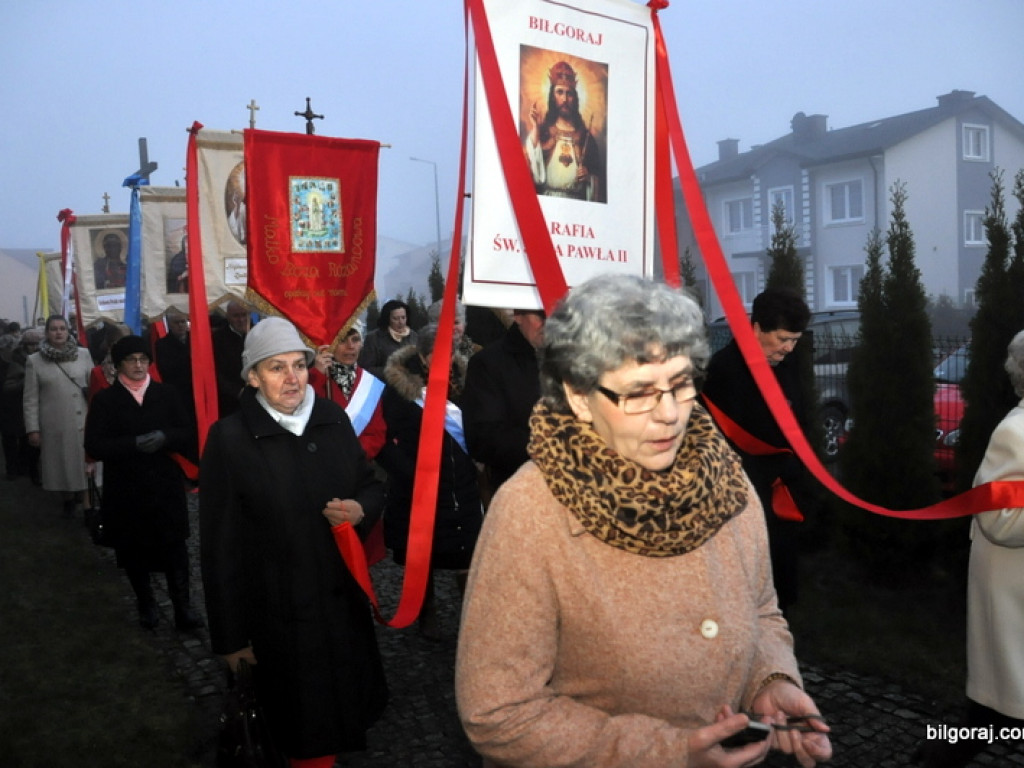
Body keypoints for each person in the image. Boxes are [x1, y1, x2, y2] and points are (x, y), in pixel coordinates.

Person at [455, 275, 831, 767]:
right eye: (638, 393)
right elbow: (498, 711)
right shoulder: (530, 511)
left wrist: (771, 679)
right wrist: (663, 751)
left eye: (681, 384)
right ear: (578, 396)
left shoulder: (728, 478)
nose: (671, 413)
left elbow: (760, 608)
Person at [200, 317, 387, 766]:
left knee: (339, 714)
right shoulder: (229, 439)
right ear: (252, 376)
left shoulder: (331, 417)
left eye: (299, 366)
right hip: (278, 617)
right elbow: (218, 548)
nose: (291, 378)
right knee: (299, 729)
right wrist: (230, 639)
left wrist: (361, 508)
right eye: (276, 368)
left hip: (340, 609)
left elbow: (372, 483)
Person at [917, 330, 1024, 768]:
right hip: (1010, 585)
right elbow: (1000, 519)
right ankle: (937, 755)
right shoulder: (1015, 433)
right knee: (997, 704)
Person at [700, 287, 817, 614]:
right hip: (743, 495)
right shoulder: (724, 369)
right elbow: (718, 443)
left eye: (795, 340)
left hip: (782, 491)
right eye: (782, 338)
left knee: (779, 591)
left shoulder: (785, 364)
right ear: (755, 328)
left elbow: (800, 417)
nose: (789, 349)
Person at [83, 336, 201, 631]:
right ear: (119, 364)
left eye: (143, 360)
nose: (138, 365)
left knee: (175, 548)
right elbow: (94, 444)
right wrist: (132, 444)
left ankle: (183, 609)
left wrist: (166, 437)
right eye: (131, 360)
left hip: (164, 485)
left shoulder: (167, 394)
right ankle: (146, 604)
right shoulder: (106, 401)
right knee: (133, 549)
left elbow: (187, 430)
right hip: (126, 487)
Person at [378, 323, 483, 639]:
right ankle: (426, 613)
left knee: (469, 548)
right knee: (424, 551)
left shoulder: (462, 381)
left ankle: (471, 615)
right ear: (423, 355)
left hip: (462, 480)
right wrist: (411, 473)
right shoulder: (400, 387)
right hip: (419, 485)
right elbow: (382, 440)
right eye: (440, 353)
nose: (448, 358)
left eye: (451, 352)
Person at [309, 320, 387, 564]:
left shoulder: (369, 383)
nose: (350, 346)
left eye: (355, 339)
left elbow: (378, 432)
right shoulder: (316, 378)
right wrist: (316, 377)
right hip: (321, 472)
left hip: (359, 472)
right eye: (343, 340)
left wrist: (351, 455)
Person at [461, 309, 545, 499]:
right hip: (521, 493)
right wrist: (550, 449)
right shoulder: (488, 364)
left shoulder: (576, 360)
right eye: (541, 316)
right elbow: (482, 438)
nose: (549, 323)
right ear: (518, 316)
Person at [23, 315, 92, 516]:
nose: (59, 332)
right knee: (61, 463)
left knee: (85, 462)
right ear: (47, 333)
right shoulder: (34, 361)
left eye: (62, 328)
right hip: (54, 422)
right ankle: (68, 498)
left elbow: (93, 385)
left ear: (68, 331)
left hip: (82, 419)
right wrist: (33, 428)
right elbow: (30, 399)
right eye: (54, 329)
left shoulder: (84, 354)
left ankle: (88, 504)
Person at [524, 60, 605, 202]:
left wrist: (588, 177)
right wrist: (536, 128)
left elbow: (597, 176)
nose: (565, 99)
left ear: (575, 98)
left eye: (569, 94)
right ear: (552, 96)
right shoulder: (543, 132)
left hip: (576, 203)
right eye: (559, 92)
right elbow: (531, 171)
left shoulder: (586, 138)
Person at [1, 328, 42, 482]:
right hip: (13, 406)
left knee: (27, 438)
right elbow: (8, 386)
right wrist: (27, 381)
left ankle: (25, 468)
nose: (35, 347)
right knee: (13, 438)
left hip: (29, 403)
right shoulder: (14, 360)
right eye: (31, 344)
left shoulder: (42, 358)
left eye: (37, 343)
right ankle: (15, 469)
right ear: (24, 344)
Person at [154, 308, 196, 457]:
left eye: (183, 321)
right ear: (169, 324)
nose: (181, 325)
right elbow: (166, 370)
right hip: (178, 394)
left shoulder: (196, 339)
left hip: (196, 392)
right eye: (176, 322)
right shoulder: (162, 344)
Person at [358, 299, 418, 380]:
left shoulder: (413, 336)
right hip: (385, 387)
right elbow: (366, 369)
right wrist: (391, 371)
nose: (401, 322)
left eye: (403, 317)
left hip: (410, 387)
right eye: (395, 318)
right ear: (387, 319)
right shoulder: (374, 338)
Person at [211, 299, 251, 417]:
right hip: (230, 401)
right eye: (236, 316)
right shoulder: (217, 339)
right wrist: (237, 391)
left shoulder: (258, 332)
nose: (241, 320)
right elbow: (215, 372)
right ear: (228, 317)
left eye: (244, 315)